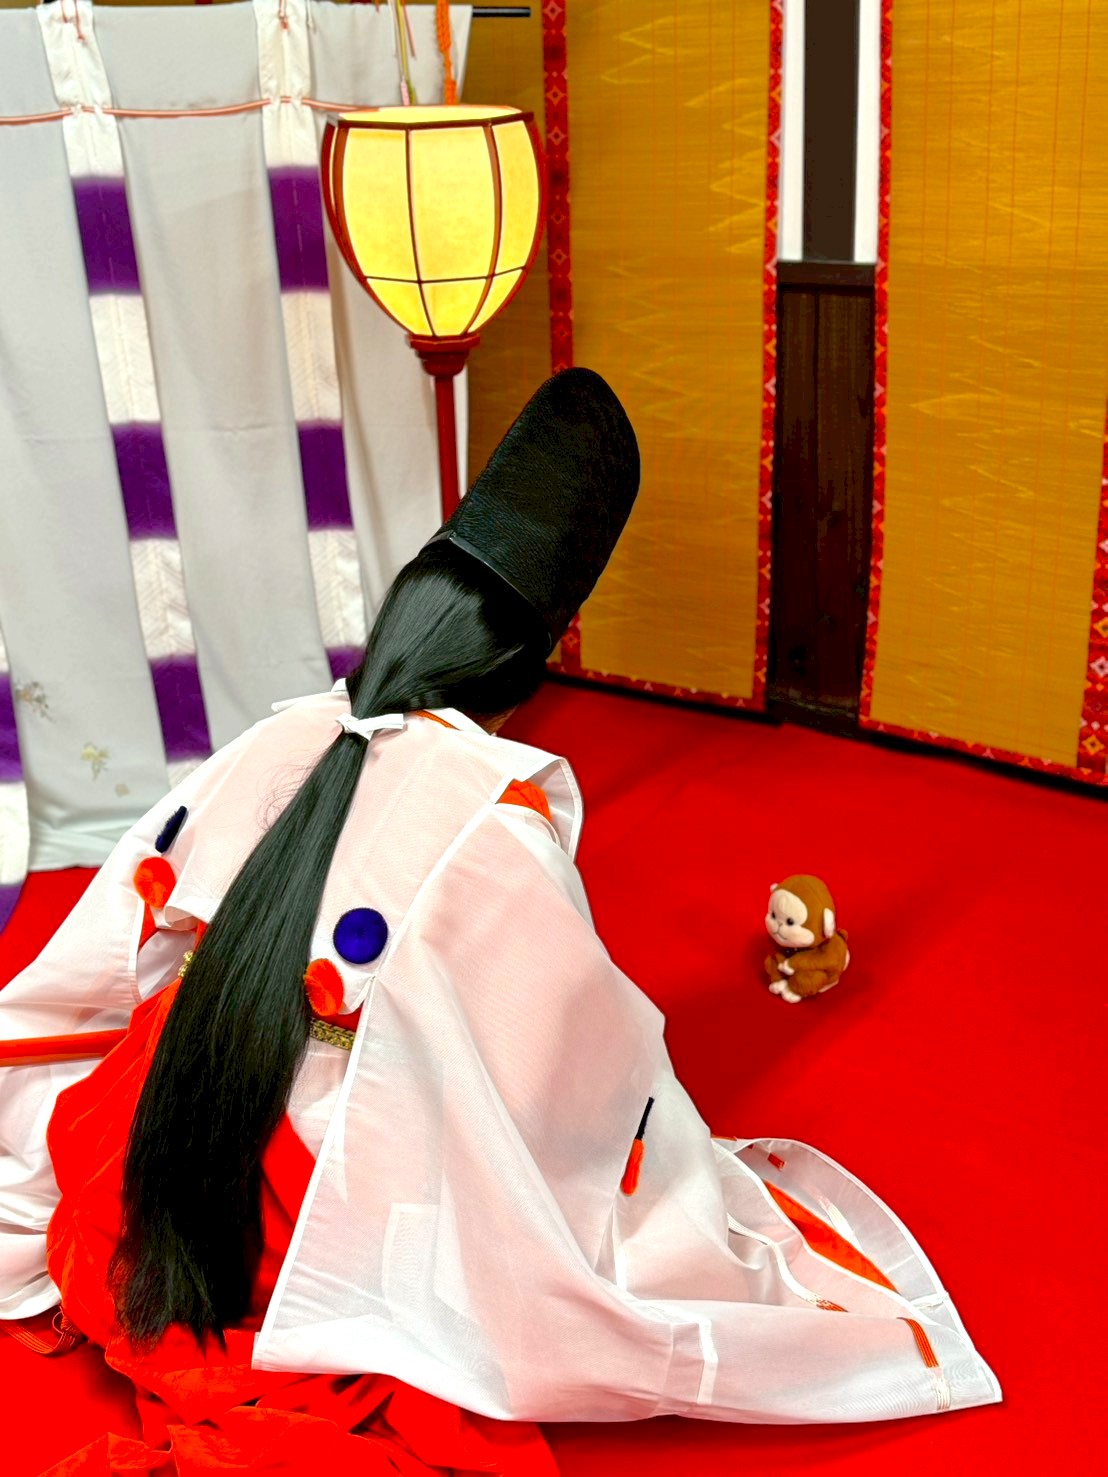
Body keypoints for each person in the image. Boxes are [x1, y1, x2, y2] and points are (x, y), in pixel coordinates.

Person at [0, 370, 999, 1475]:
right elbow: (567, 1065)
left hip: (167, 1123)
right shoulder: (495, 823)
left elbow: (123, 929)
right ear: (525, 672)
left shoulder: (285, 734)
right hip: (318, 1193)